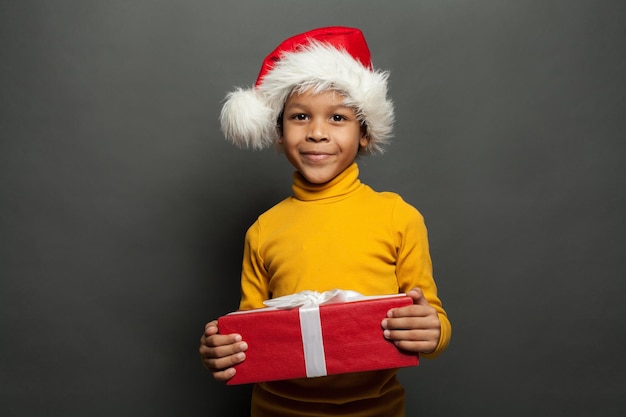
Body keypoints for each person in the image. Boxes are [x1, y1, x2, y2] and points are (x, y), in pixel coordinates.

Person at [199, 26, 451, 416]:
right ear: (279, 132)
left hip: (376, 410)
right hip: (277, 410)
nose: (316, 132)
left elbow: (430, 314)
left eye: (337, 117)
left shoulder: (398, 217)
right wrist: (223, 350)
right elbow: (249, 333)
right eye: (300, 116)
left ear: (364, 132)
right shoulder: (263, 230)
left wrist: (433, 330)